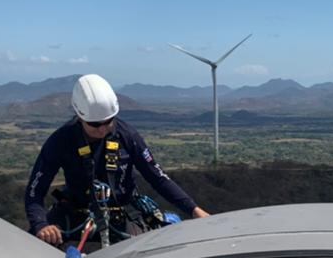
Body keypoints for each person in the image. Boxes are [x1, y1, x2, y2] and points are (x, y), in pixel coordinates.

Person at [25, 74, 209, 247]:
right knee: (34, 247)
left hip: (123, 213)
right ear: (80, 116)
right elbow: (35, 191)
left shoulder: (127, 135)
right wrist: (41, 224)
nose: (103, 129)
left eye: (108, 121)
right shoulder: (61, 141)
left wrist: (194, 210)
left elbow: (157, 177)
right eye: (95, 124)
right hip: (76, 212)